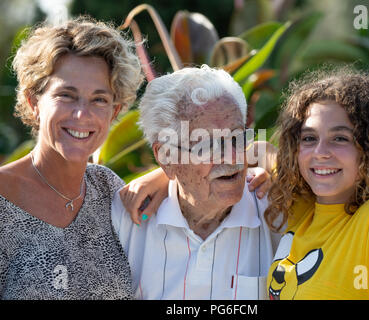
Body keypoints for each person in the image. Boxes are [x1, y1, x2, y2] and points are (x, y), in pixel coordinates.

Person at [0, 17, 143, 299]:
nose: (82, 115)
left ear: (114, 112)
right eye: (66, 95)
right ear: (33, 102)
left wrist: (162, 177)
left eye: (99, 99)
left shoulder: (110, 192)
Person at [112, 65, 282, 299]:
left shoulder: (275, 210)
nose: (233, 157)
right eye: (207, 145)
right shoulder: (124, 223)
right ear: (167, 157)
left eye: (238, 137)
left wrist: (267, 154)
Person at [265, 68, 369, 300]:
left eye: (340, 138)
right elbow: (261, 153)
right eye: (309, 138)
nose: (320, 153)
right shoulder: (302, 210)